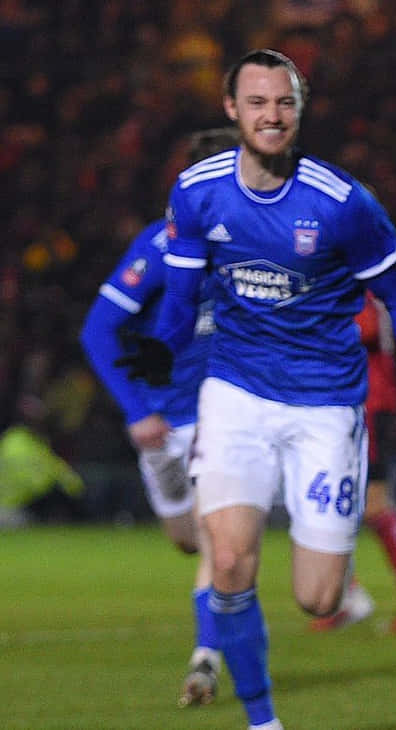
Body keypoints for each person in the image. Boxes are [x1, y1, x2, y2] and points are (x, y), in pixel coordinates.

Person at [120, 49, 396, 730]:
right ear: (231, 109)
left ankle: (326, 584)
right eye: (258, 102)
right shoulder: (198, 189)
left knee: (319, 598)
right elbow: (181, 302)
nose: (272, 115)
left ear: (300, 110)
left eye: (285, 103)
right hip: (235, 392)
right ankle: (264, 722)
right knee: (231, 560)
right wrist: (161, 348)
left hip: (326, 404)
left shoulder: (343, 204)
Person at [79, 127, 237, 707]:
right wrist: (137, 410)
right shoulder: (160, 246)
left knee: (221, 539)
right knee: (187, 540)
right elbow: (98, 330)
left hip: (220, 415)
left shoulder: (255, 246)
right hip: (162, 423)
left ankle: (206, 659)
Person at [308, 293, 396, 634]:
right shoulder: (360, 284)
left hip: (366, 403)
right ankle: (349, 595)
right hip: (351, 403)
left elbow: (363, 331)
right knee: (331, 500)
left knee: (374, 504)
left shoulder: (359, 289)